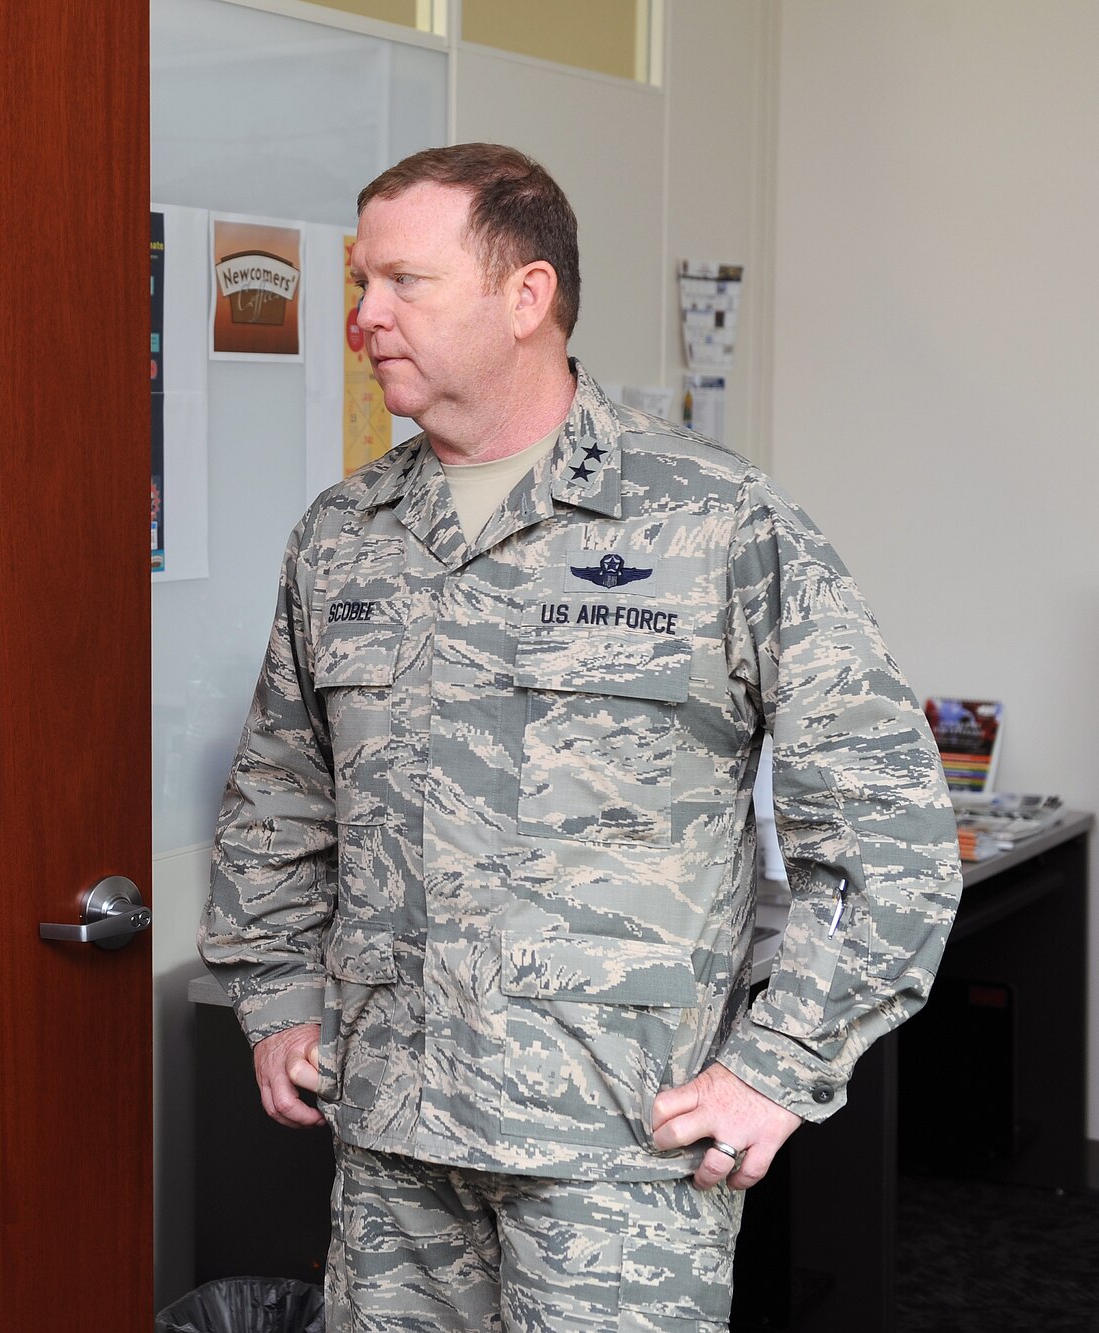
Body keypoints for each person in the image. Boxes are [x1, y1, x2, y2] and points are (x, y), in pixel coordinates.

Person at [198, 145, 960, 1331]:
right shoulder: (342, 536)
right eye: (359, 286)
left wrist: (777, 1066)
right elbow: (279, 796)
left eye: (402, 283)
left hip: (616, 1158)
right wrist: (278, 994)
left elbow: (887, 833)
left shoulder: (716, 523)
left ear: (525, 294)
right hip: (392, 1142)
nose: (363, 318)